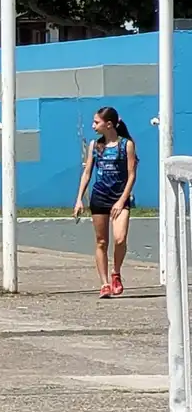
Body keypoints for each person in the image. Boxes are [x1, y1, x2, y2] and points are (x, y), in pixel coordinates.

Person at [74, 105, 138, 299]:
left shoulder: (125, 144)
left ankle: (116, 272)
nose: (93, 125)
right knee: (102, 241)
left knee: (120, 238)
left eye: (96, 122)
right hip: (99, 197)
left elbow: (131, 174)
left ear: (108, 124)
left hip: (120, 197)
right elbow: (87, 173)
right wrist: (79, 199)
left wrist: (122, 200)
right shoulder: (95, 146)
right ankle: (104, 284)